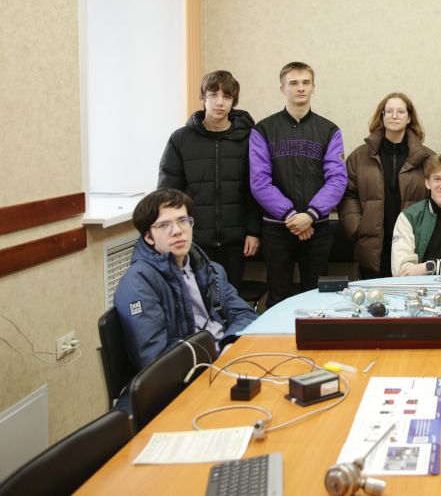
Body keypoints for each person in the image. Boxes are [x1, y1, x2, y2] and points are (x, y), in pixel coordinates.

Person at [113, 188, 258, 411]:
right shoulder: (138, 284)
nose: (177, 231)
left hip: (224, 362)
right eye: (164, 225)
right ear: (148, 237)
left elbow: (245, 314)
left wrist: (229, 343)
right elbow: (154, 359)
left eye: (183, 221)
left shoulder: (208, 267)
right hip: (182, 384)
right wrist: (214, 357)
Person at [249, 62, 347, 309]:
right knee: (278, 298)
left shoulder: (329, 130)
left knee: (317, 300)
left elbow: (337, 179)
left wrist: (310, 215)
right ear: (283, 89)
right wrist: (292, 216)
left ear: (313, 87)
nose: (300, 88)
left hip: (317, 230)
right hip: (277, 230)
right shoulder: (263, 130)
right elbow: (260, 182)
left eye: (305, 82)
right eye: (293, 83)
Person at [158, 70, 261, 295]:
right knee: (195, 301)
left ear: (234, 101)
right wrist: (173, 231)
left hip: (235, 240)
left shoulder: (248, 139)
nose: (219, 102)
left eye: (227, 96)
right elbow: (168, 192)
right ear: (203, 98)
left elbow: (253, 189)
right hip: (193, 239)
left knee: (229, 299)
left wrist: (254, 231)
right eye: (213, 95)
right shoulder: (181, 139)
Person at [340, 93, 434, 279]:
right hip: (374, 246)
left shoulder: (427, 158)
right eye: (389, 111)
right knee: (374, 296)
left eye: (400, 111)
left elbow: (438, 198)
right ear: (382, 116)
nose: (394, 116)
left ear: (409, 118)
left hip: (414, 245)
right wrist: (358, 229)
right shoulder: (359, 156)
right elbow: (348, 195)